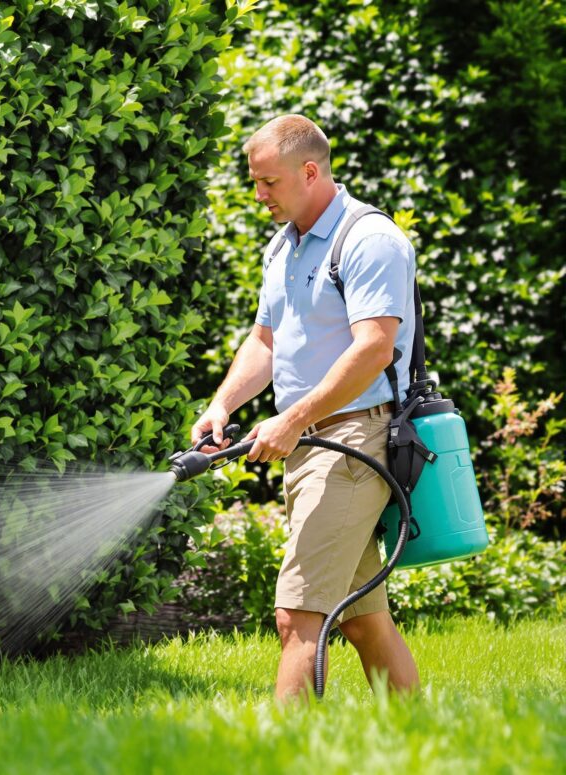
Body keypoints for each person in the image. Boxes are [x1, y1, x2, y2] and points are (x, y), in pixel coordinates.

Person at [190, 114, 420, 701]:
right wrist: (222, 404)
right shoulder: (283, 245)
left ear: (310, 171)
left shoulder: (368, 240)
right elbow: (266, 340)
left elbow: (375, 348)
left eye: (268, 182)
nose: (258, 195)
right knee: (362, 619)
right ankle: (417, 730)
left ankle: (284, 746)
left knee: (298, 615)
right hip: (315, 443)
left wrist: (292, 419)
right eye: (255, 182)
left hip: (353, 442)